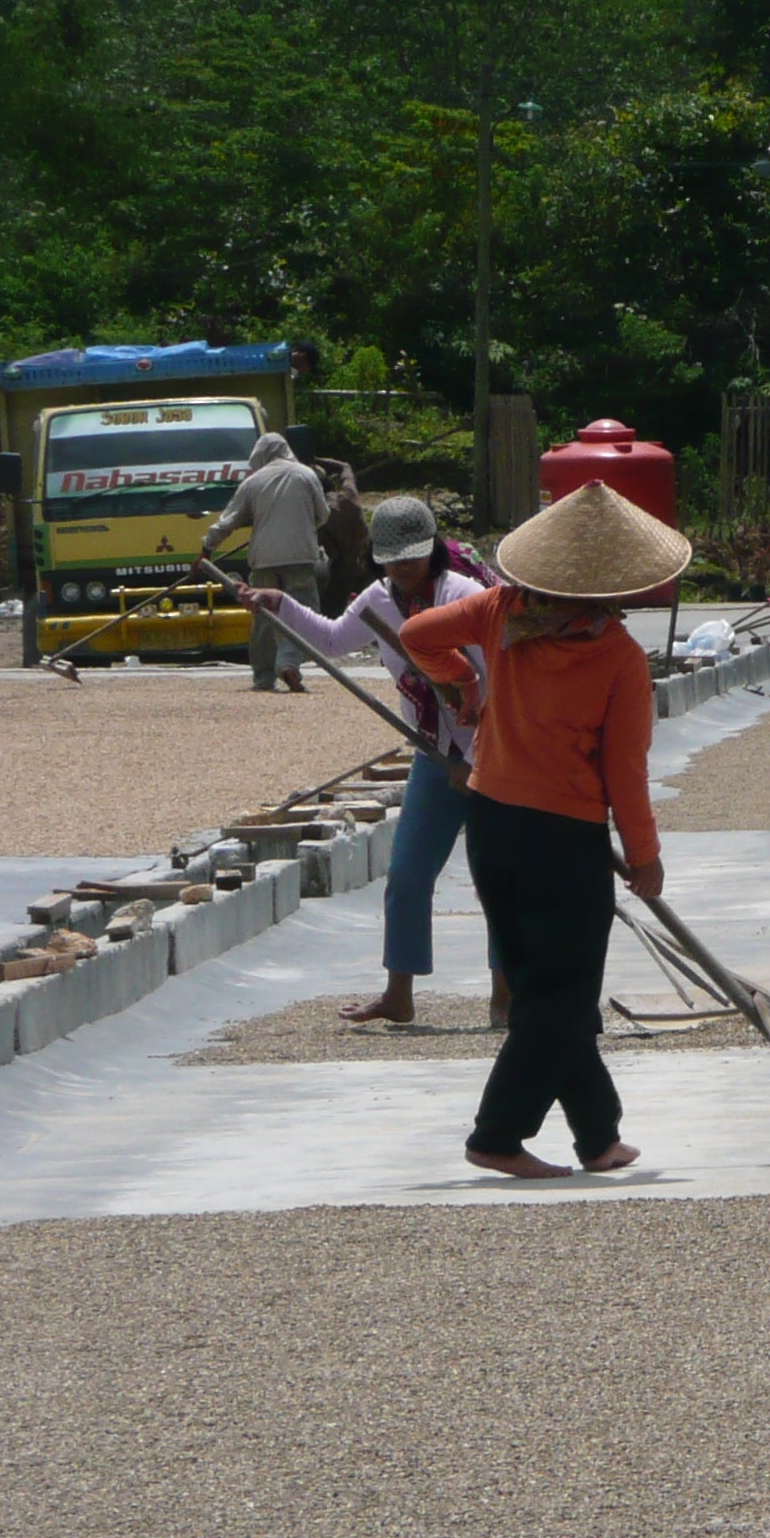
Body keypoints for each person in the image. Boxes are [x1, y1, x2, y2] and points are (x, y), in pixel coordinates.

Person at [401, 481, 691, 1180]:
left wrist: (463, 688)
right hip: (563, 841)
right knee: (558, 997)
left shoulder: (503, 611)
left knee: (547, 991)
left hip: (494, 825)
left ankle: (598, 1136)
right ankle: (497, 1135)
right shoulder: (617, 657)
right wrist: (646, 859)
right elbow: (625, 775)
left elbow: (417, 636)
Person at [240, 496, 506, 1030]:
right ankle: (398, 992)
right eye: (391, 559)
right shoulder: (378, 600)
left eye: (410, 557)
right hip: (433, 754)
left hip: (494, 756)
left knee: (496, 878)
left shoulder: (466, 596)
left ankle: (506, 996)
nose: (401, 569)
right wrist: (280, 605)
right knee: (407, 874)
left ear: (431, 550)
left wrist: (477, 761)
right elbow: (334, 639)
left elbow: (499, 678)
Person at [199, 430, 331, 692]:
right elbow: (323, 514)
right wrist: (305, 527)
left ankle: (263, 677)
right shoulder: (306, 475)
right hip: (300, 558)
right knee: (302, 613)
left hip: (263, 560)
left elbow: (228, 521)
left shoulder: (253, 482)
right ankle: (289, 662)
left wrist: (206, 549)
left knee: (262, 618)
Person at [317, 462, 375, 612]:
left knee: (331, 612)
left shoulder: (318, 513)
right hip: (368, 559)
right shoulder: (348, 496)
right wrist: (319, 459)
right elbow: (347, 468)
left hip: (343, 567)